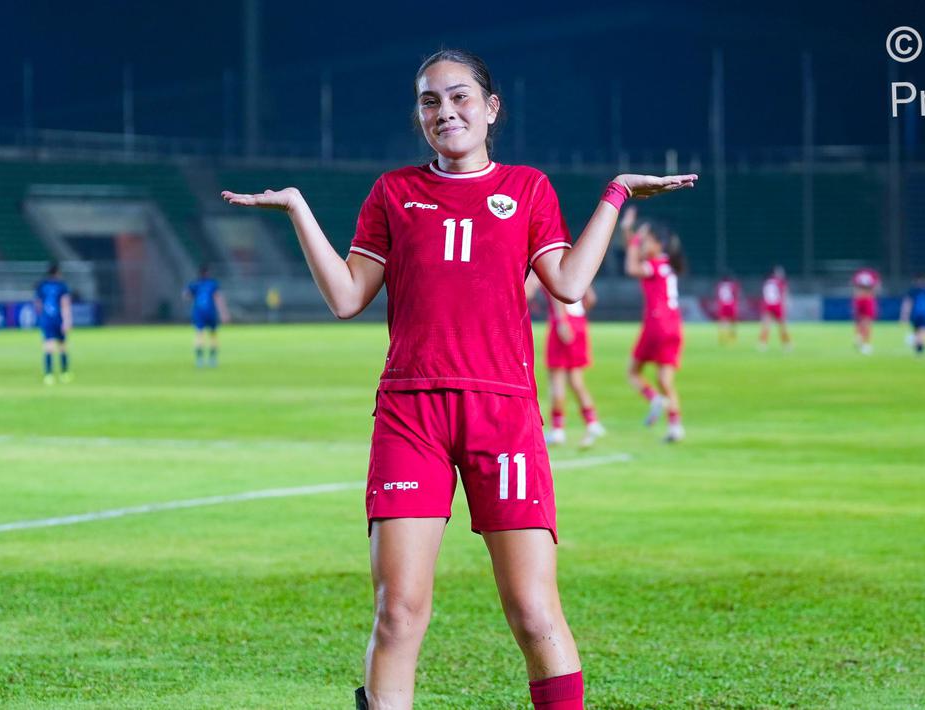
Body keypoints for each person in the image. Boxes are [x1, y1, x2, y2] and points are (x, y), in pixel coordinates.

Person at [221, 48, 696, 710]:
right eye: (430, 101)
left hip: (503, 413)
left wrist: (615, 194)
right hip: (410, 415)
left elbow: (568, 283)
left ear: (491, 108)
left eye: (459, 96)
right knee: (398, 612)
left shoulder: (527, 188)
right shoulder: (392, 192)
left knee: (533, 611)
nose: (445, 111)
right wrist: (300, 209)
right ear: (419, 116)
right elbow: (346, 297)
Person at [621, 212, 687, 443]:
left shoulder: (653, 266)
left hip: (656, 325)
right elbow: (635, 252)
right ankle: (675, 426)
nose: (642, 245)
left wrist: (633, 238)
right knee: (665, 380)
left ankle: (653, 398)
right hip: (674, 326)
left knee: (632, 372)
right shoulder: (667, 264)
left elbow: (631, 266)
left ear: (659, 244)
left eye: (647, 241)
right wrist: (628, 231)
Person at [526, 273, 605, 448]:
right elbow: (591, 298)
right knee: (576, 380)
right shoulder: (575, 265)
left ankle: (557, 430)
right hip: (579, 322)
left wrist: (562, 320)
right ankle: (592, 422)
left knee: (556, 380)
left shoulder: (548, 264)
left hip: (562, 324)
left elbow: (533, 292)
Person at [184, 264, 231, 367]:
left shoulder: (195, 284)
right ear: (207, 273)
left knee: (199, 334)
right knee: (213, 335)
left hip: (199, 312)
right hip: (210, 312)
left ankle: (199, 359)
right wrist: (224, 313)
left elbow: (186, 295)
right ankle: (212, 359)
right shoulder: (212, 284)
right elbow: (218, 298)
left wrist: (194, 297)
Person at [35, 262, 72, 384]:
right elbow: (65, 304)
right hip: (58, 318)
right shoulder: (62, 286)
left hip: (47, 319)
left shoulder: (42, 285)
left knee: (48, 346)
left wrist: (41, 317)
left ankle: (49, 375)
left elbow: (38, 304)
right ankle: (64, 373)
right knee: (62, 346)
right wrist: (67, 320)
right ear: (57, 272)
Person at [758, 265, 791, 351]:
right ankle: (786, 344)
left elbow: (764, 293)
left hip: (767, 305)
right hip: (777, 304)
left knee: (766, 325)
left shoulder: (767, 281)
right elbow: (784, 294)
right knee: (782, 326)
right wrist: (785, 304)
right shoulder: (780, 282)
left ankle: (762, 344)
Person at [900, 277, 925, 356]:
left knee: (920, 330)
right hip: (922, 313)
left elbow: (907, 303)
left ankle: (918, 347)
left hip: (918, 314)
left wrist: (904, 315)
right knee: (922, 330)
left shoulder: (916, 291)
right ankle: (919, 347)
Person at [851, 266, 881, 355]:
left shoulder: (858, 274)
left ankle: (859, 337)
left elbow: (854, 287)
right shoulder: (872, 275)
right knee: (867, 322)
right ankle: (865, 343)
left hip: (859, 298)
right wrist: (873, 294)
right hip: (868, 298)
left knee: (859, 321)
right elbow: (877, 286)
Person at [713, 271, 740, 345]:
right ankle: (732, 337)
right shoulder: (732, 285)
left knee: (723, 321)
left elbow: (718, 295)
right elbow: (735, 294)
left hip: (722, 304)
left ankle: (723, 336)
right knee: (733, 321)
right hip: (731, 304)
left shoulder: (719, 285)